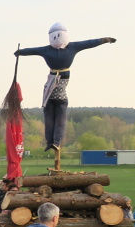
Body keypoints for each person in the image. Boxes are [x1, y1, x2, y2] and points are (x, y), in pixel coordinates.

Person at [15, 24, 116, 155]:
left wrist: (19, 52)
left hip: (48, 94)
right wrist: (105, 40)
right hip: (59, 96)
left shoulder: (47, 50)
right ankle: (55, 142)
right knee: (59, 120)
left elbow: (32, 50)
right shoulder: (72, 47)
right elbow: (89, 43)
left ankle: (51, 142)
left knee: (50, 120)